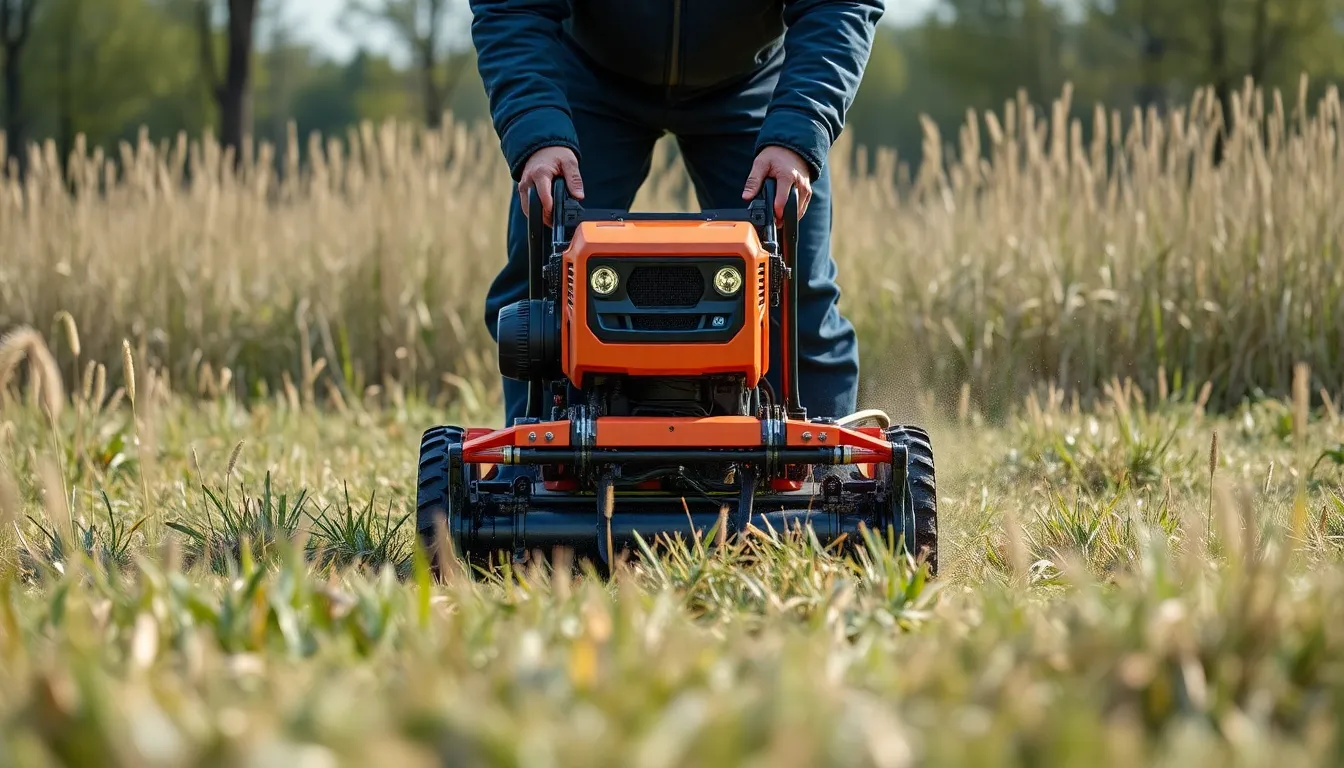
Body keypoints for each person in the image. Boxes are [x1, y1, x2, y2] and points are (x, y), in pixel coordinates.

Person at [470, 0, 884, 426]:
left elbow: (838, 5)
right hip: (588, 82)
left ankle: (813, 459)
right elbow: (512, 7)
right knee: (548, 279)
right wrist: (537, 131)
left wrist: (799, 130)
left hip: (754, 86)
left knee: (792, 288)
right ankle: (543, 453)